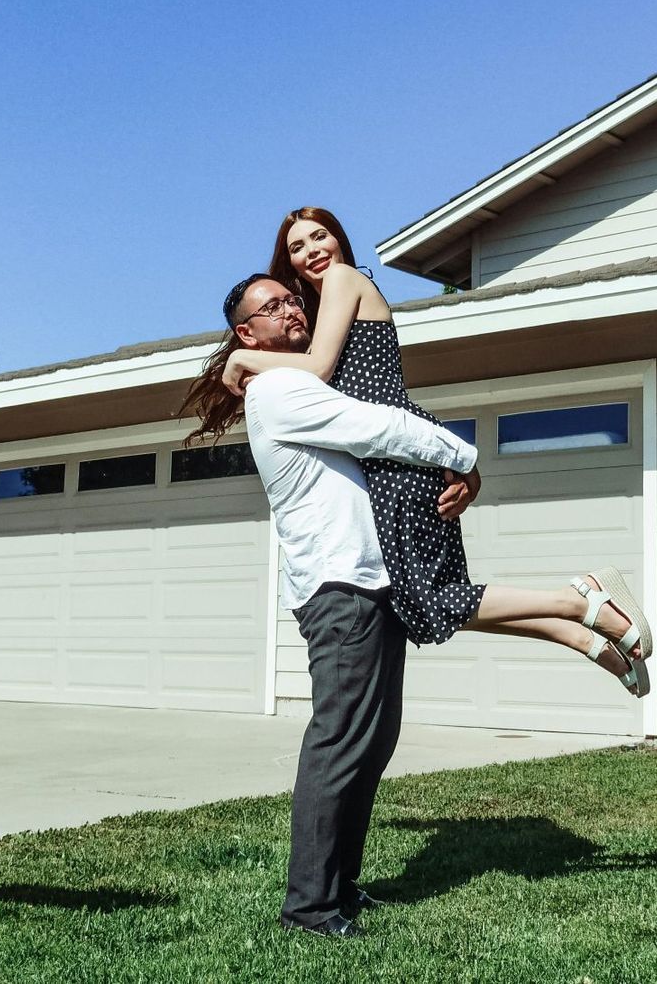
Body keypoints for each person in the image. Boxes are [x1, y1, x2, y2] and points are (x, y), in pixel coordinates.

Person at [184, 207, 653, 696]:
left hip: (396, 452)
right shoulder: (323, 309)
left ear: (339, 240)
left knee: (432, 600)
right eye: (297, 248)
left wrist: (240, 356)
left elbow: (319, 367)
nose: (312, 251)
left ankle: (578, 601)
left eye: (319, 236)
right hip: (391, 459)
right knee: (427, 604)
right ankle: (577, 634)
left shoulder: (344, 280)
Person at [206, 273, 480, 937]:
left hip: (370, 580)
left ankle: (341, 888)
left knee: (371, 741)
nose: (290, 308)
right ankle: (309, 906)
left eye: (291, 298)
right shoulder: (278, 388)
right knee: (339, 741)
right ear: (247, 333)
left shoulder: (297, 379)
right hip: (338, 588)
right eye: (270, 307)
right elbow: (376, 427)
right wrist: (464, 457)